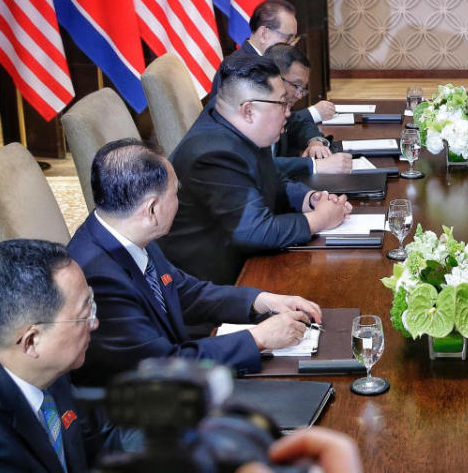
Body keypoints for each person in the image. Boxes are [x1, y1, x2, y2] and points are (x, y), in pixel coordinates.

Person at [68, 139, 325, 384]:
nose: (180, 201)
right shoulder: (97, 278)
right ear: (152, 209)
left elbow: (183, 291)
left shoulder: (125, 228)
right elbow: (162, 365)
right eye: (176, 193)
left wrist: (263, 301)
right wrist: (257, 338)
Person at [161, 52, 351, 285]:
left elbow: (272, 180)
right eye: (282, 103)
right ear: (249, 111)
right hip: (212, 285)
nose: (289, 112)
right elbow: (255, 232)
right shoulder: (212, 154)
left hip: (244, 264)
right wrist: (320, 219)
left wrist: (310, 198)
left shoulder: (240, 126)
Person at [0, 239, 139, 472]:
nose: (94, 323)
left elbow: (98, 436)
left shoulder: (49, 370)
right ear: (32, 341)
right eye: (83, 314)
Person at [211, 0, 337, 161]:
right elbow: (249, 154)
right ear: (264, 33)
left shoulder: (268, 64)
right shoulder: (239, 72)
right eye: (289, 38)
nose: (292, 46)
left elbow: (290, 121)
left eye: (294, 40)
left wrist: (315, 140)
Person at [265, 43, 352, 177]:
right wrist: (315, 165)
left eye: (302, 89)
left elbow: (297, 123)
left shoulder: (279, 108)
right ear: (275, 78)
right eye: (296, 86)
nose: (299, 95)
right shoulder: (253, 115)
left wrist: (315, 141)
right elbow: (260, 167)